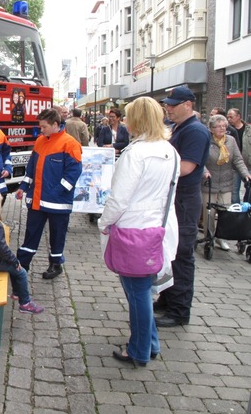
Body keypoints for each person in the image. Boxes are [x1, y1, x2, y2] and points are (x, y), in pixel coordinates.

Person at [98, 96, 180, 366]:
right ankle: (150, 344)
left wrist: (104, 222)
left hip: (132, 231)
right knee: (141, 291)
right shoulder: (170, 151)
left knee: (137, 294)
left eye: (128, 116)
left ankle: (139, 350)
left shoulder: (136, 153)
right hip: (156, 228)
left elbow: (119, 199)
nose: (124, 121)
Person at [154, 86, 210, 328]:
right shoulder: (180, 127)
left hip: (185, 202)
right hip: (175, 200)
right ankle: (168, 299)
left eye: (173, 105)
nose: (169, 108)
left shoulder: (195, 131)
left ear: (188, 104)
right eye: (168, 104)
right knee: (170, 252)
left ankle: (179, 310)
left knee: (182, 255)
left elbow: (186, 167)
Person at [15, 108, 83, 278]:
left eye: (44, 126)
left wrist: (57, 192)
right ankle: (22, 265)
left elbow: (73, 173)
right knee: (31, 233)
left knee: (57, 236)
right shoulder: (39, 141)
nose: (41, 130)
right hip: (37, 200)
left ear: (55, 124)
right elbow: (31, 168)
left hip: (58, 202)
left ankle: (55, 264)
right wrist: (23, 187)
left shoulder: (70, 143)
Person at [201, 114, 251, 250]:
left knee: (225, 212)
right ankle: (209, 237)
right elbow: (200, 160)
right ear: (211, 129)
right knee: (209, 213)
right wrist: (204, 172)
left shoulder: (231, 140)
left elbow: (238, 160)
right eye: (218, 126)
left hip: (226, 182)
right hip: (209, 183)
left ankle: (221, 238)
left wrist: (246, 174)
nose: (222, 129)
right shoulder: (206, 140)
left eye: (224, 126)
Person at [226, 108, 250, 203]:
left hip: (248, 164)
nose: (228, 119)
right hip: (234, 165)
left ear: (238, 116)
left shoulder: (248, 130)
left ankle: (246, 211)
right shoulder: (228, 130)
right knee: (234, 190)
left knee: (249, 189)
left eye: (231, 117)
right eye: (227, 117)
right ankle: (236, 212)